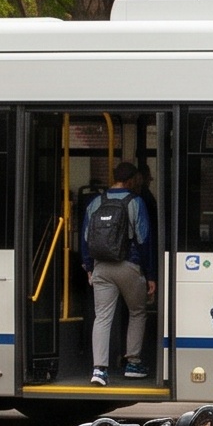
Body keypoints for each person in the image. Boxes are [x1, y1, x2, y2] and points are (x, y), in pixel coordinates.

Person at [82, 160, 154, 387]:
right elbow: (144, 240)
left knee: (102, 317)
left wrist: (89, 267)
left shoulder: (95, 202)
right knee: (137, 311)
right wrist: (151, 274)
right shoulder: (136, 202)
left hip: (101, 267)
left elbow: (85, 239)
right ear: (132, 179)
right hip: (128, 265)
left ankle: (99, 370)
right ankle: (133, 363)